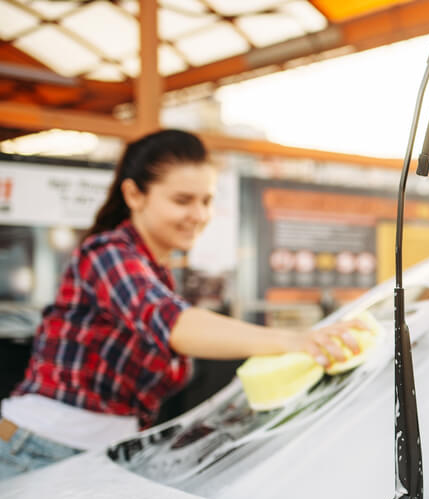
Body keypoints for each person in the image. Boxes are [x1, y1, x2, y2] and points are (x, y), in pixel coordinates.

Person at [0, 129, 365, 479]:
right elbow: (171, 322)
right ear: (134, 195)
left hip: (93, 453)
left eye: (206, 200)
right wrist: (294, 340)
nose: (200, 215)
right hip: (37, 450)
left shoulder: (156, 272)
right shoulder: (107, 254)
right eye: (182, 200)